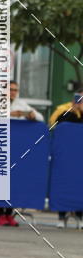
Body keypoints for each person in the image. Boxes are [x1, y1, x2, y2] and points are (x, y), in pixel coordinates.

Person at [0, 80, 44, 227]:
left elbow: (40, 117)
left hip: (16, 147)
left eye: (15, 90)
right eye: (10, 89)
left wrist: (31, 115)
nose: (13, 92)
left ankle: (9, 214)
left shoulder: (21, 104)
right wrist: (11, 114)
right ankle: (0, 215)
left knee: (14, 181)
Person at [49, 85, 83, 228]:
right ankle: (61, 216)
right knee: (64, 183)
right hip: (65, 156)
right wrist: (73, 111)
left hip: (80, 156)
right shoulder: (63, 109)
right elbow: (55, 123)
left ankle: (80, 217)